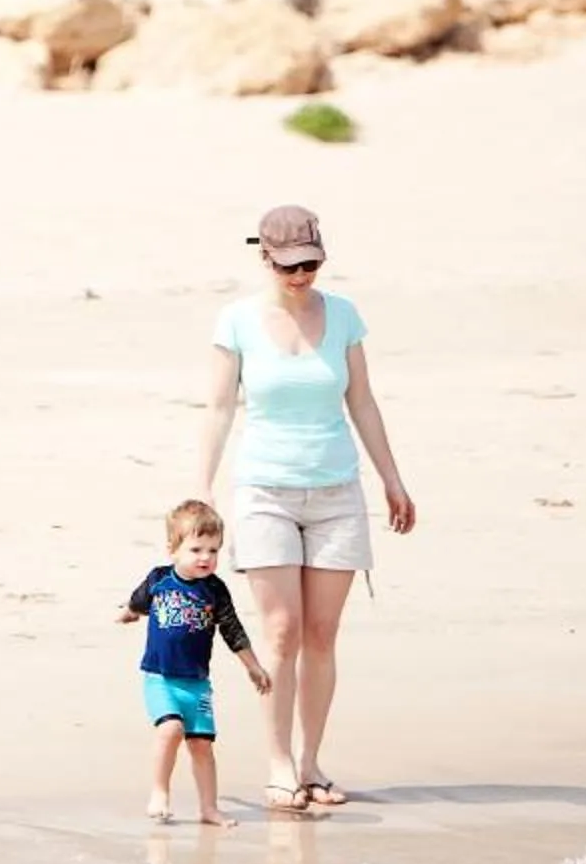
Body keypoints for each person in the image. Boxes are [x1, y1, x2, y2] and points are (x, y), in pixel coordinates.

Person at [199, 204, 415, 816]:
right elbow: (218, 409)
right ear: (264, 258)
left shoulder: (343, 315)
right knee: (281, 632)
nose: (302, 276)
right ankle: (277, 763)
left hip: (337, 493)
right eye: (290, 266)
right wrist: (203, 487)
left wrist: (392, 481)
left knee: (322, 634)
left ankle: (312, 761)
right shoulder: (237, 320)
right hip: (265, 490)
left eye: (312, 264)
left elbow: (364, 403)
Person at [119, 498, 271, 826]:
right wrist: (129, 613)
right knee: (171, 729)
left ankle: (209, 808)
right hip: (160, 678)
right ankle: (160, 791)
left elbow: (232, 630)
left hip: (197, 684)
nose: (206, 557)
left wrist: (253, 666)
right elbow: (138, 600)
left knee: (202, 745)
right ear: (173, 549)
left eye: (214, 550)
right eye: (197, 549)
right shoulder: (159, 579)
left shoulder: (215, 591)